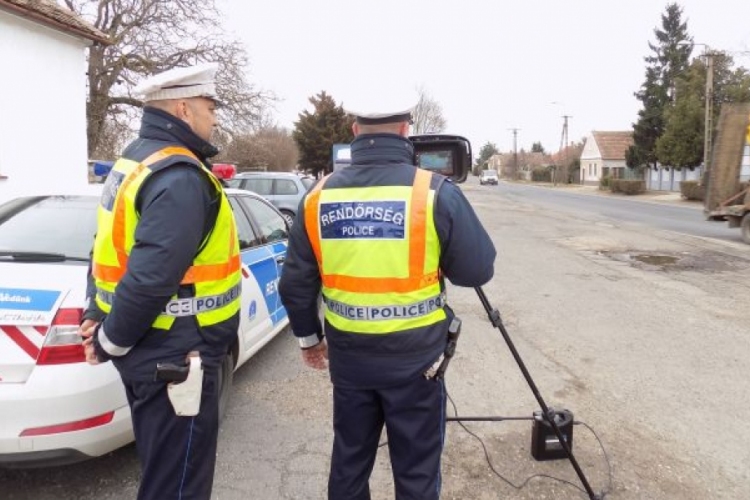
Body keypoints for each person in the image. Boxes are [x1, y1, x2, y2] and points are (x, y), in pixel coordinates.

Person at [278, 94, 496, 500]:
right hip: (418, 363)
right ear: (405, 130)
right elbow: (477, 270)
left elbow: (294, 284)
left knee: (349, 462)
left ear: (355, 131)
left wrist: (309, 340)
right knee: (415, 472)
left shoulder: (317, 196)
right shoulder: (433, 192)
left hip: (349, 359)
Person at [78, 63, 241, 500]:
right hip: (177, 355)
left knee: (162, 472)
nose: (214, 117)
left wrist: (96, 312)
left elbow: (103, 245)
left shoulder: (133, 161)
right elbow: (150, 277)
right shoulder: (180, 176)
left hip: (152, 351)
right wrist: (111, 338)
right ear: (184, 109)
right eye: (209, 107)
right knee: (179, 484)